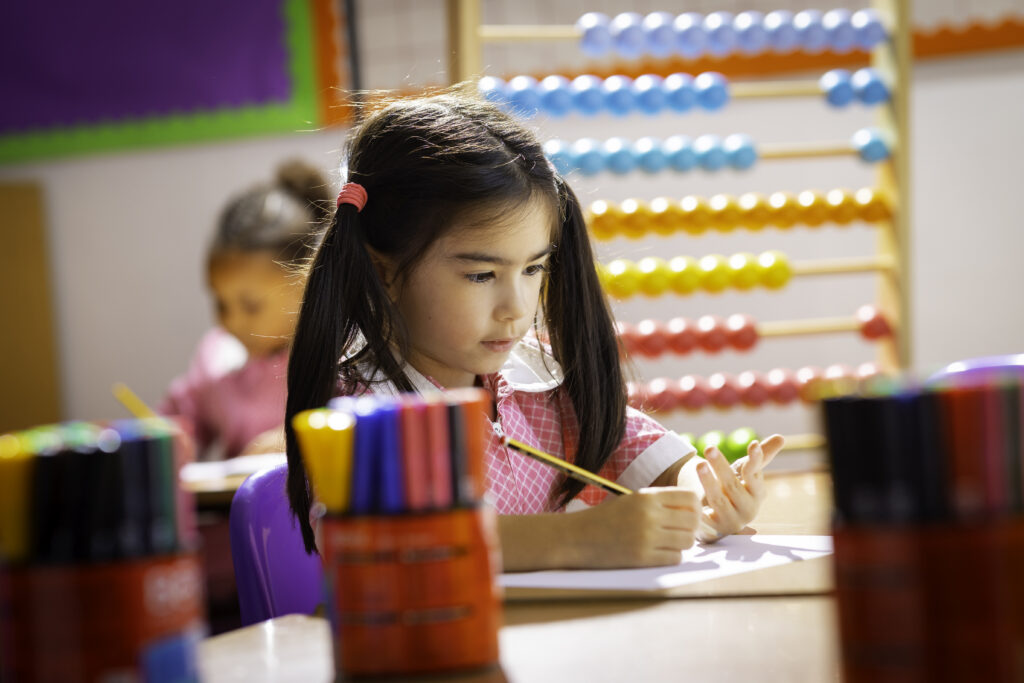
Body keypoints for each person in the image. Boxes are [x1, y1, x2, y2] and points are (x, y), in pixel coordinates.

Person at [284, 89, 784, 570]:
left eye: (533, 269)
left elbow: (633, 446)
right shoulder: (357, 413)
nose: (516, 308)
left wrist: (707, 490)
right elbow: (400, 543)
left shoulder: (531, 375)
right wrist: (578, 539)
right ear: (385, 272)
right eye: (481, 275)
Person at [162, 160, 331, 460]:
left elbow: (359, 427)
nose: (231, 321)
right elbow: (178, 421)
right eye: (220, 303)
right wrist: (166, 439)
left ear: (306, 284)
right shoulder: (216, 356)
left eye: (251, 306)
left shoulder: (334, 357)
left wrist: (299, 441)